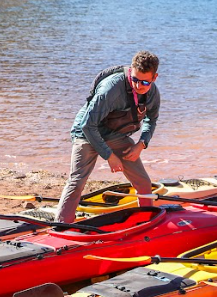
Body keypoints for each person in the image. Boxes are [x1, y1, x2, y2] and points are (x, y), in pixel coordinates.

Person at [55, 50, 162, 223]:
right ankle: (60, 225)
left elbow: (152, 119)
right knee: (77, 181)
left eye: (144, 82)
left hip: (115, 134)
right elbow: (88, 125)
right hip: (87, 132)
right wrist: (109, 156)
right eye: (134, 80)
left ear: (154, 77)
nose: (138, 86)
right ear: (131, 72)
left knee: (143, 181)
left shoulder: (153, 93)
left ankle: (147, 220)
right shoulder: (111, 89)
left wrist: (141, 144)